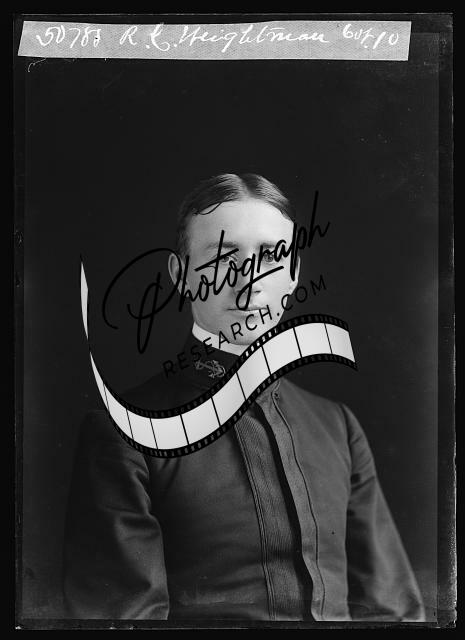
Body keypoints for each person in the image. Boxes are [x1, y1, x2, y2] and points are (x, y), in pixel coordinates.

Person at [63, 173, 425, 622]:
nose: (249, 281)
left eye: (271, 257)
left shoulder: (337, 426)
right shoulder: (126, 430)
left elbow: (394, 612)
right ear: (180, 276)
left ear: (293, 275)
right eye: (222, 257)